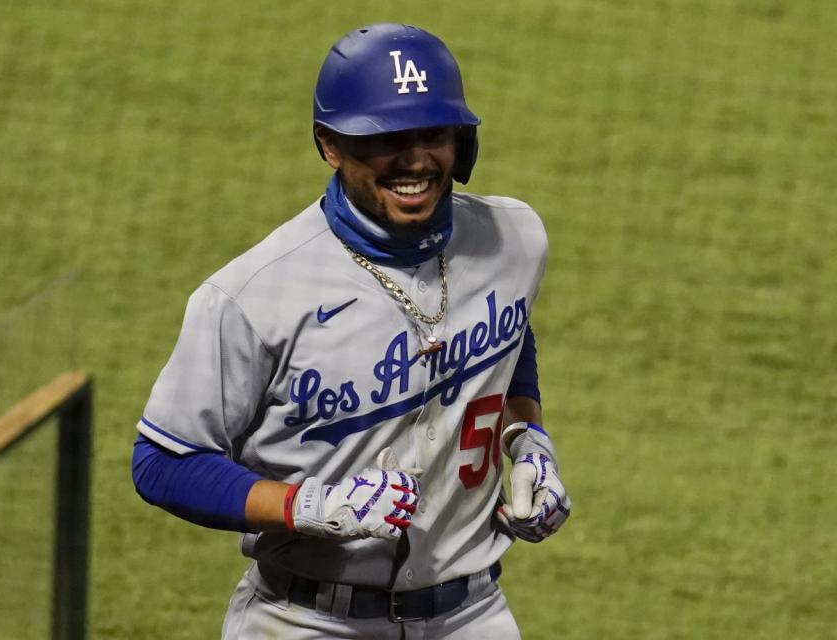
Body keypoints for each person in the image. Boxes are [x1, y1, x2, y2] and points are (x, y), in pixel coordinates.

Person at [132, 23, 571, 639]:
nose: (415, 159)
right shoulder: (251, 295)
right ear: (330, 144)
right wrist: (307, 506)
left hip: (473, 614)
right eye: (387, 139)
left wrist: (529, 441)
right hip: (305, 619)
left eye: (432, 134)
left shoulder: (514, 240)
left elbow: (510, 337)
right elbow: (163, 461)